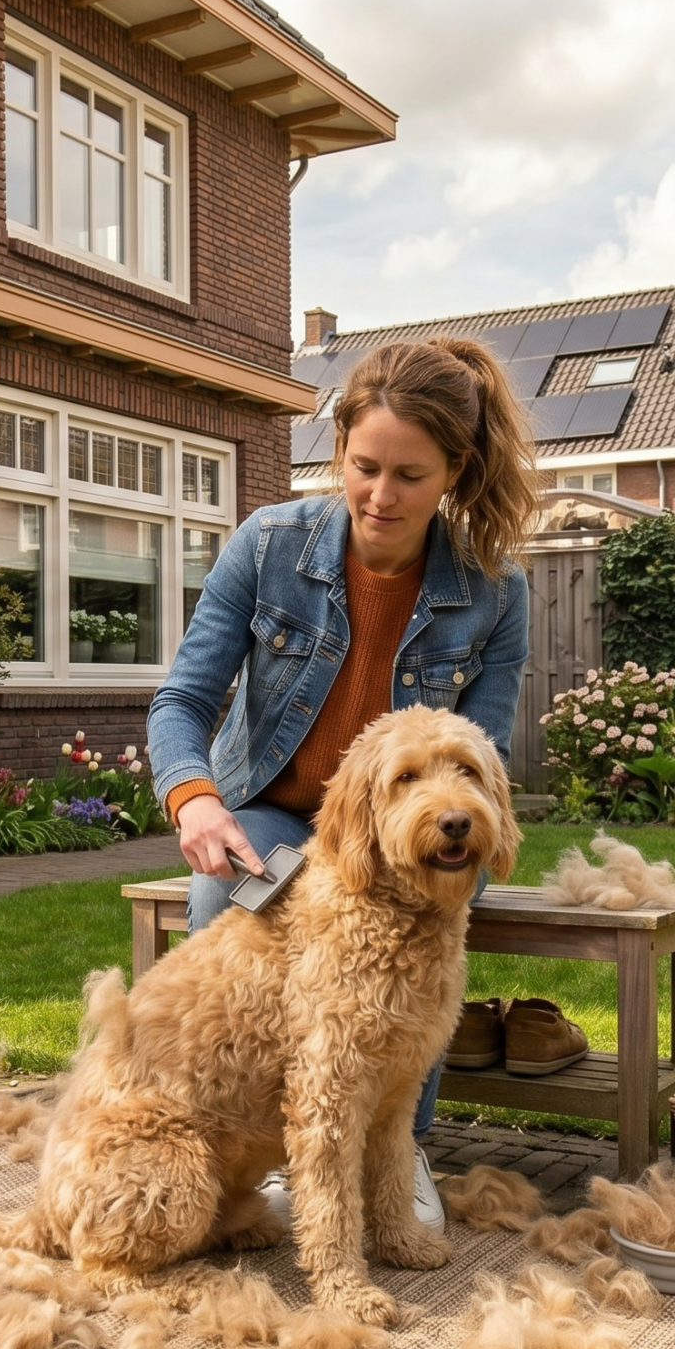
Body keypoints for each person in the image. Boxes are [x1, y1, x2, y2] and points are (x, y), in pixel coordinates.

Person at [146, 334, 537, 1234]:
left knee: (430, 915)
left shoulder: (494, 594)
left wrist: (456, 826)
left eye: (410, 475)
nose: (381, 496)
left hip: (407, 823)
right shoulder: (269, 546)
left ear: (455, 471)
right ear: (340, 452)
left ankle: (399, 1151)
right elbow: (183, 700)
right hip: (272, 816)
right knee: (226, 905)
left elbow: (484, 755)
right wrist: (194, 798)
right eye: (365, 467)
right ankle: (287, 1143)